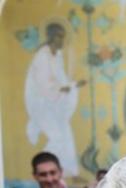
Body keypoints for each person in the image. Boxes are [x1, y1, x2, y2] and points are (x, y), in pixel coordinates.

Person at [24, 23, 84, 175]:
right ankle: (44, 170)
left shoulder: (57, 55)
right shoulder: (42, 56)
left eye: (63, 37)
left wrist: (72, 86)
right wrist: (62, 89)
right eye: (58, 36)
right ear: (51, 36)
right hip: (43, 105)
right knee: (58, 138)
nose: (61, 40)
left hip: (56, 104)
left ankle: (69, 172)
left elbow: (60, 80)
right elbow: (43, 84)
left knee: (66, 136)